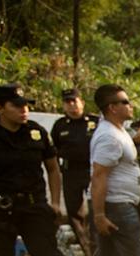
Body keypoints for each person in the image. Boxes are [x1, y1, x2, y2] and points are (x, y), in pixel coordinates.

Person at [0, 84, 70, 256]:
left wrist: (55, 202)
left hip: (34, 207)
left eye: (26, 105)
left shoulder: (36, 132)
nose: (24, 110)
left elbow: (53, 169)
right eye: (17, 105)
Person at [90, 84, 140, 256]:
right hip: (117, 206)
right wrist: (99, 214)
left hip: (118, 205)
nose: (130, 105)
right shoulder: (109, 137)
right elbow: (99, 175)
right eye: (125, 102)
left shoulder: (118, 130)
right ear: (112, 108)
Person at [50, 88, 98, 246]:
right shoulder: (60, 126)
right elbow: (53, 152)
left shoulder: (95, 122)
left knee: (95, 207)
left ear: (82, 103)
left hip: (92, 170)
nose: (71, 105)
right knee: (74, 211)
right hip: (71, 172)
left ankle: (98, 246)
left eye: (74, 101)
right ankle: (82, 247)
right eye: (67, 102)